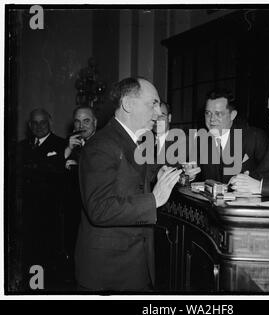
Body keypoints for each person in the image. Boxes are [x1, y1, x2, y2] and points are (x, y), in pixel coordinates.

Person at [74, 77, 182, 291]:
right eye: (152, 103)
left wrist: (173, 172)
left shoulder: (132, 140)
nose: (158, 112)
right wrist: (154, 200)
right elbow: (99, 209)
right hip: (108, 273)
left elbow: (144, 174)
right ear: (128, 104)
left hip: (132, 265)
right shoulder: (102, 145)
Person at [17, 108, 66, 289]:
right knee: (29, 257)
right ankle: (32, 290)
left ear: (50, 123)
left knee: (49, 260)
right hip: (26, 215)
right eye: (34, 123)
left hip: (51, 217)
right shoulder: (21, 147)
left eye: (43, 122)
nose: (38, 126)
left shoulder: (62, 145)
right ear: (29, 125)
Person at [196, 88, 268, 183]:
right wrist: (191, 176)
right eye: (208, 113)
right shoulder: (201, 141)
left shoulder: (255, 138)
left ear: (233, 115)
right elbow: (199, 177)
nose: (212, 119)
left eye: (218, 114)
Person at [62, 107, 98, 281]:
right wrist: (68, 151)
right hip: (72, 211)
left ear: (95, 123)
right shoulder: (69, 145)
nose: (81, 125)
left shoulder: (102, 145)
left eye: (86, 121)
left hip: (93, 213)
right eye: (77, 121)